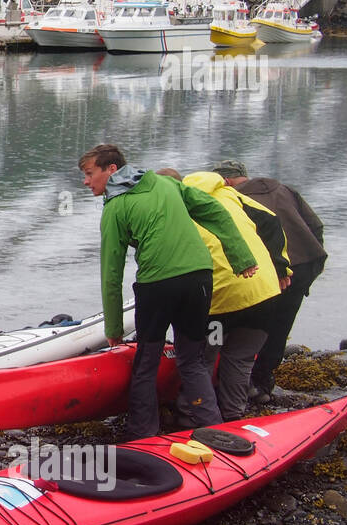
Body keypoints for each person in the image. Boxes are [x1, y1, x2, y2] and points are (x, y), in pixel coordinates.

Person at [80, 145, 257, 440]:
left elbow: (110, 274)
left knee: (145, 364)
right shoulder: (166, 182)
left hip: (157, 284)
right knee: (191, 359)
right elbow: (215, 211)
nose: (86, 182)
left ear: (111, 170)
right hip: (200, 277)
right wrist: (242, 258)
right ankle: (214, 429)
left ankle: (144, 435)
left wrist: (113, 329)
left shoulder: (115, 208)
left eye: (89, 174)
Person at [212, 159, 327, 401]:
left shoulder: (229, 198)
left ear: (225, 180)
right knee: (279, 328)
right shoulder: (284, 189)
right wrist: (311, 266)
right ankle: (262, 384)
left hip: (266, 271)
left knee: (244, 328)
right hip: (304, 263)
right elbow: (315, 226)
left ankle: (230, 384)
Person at [179, 170, 288, 421]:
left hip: (221, 299)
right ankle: (233, 416)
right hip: (264, 292)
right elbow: (272, 221)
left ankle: (193, 416)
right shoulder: (231, 195)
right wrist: (282, 267)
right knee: (240, 358)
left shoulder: (179, 203)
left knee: (203, 358)